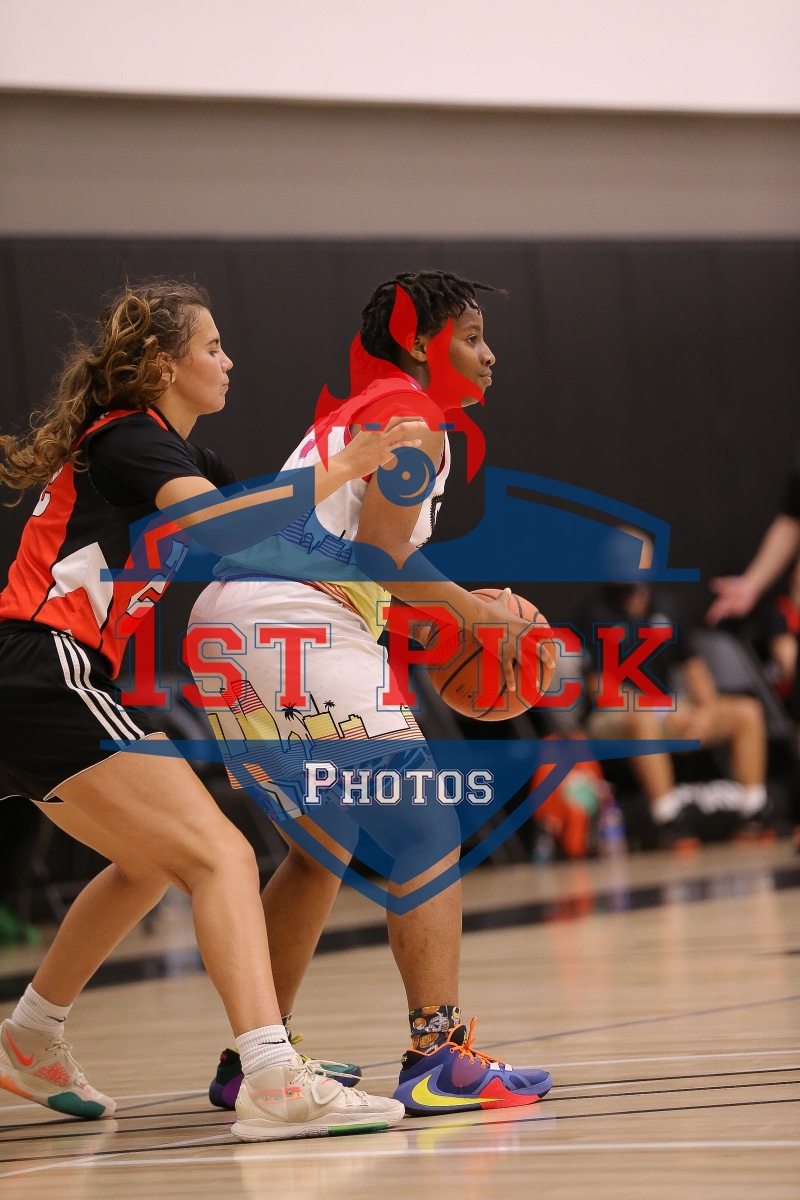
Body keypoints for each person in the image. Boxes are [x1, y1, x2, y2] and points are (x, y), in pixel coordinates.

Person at [0, 280, 425, 1141]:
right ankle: (272, 1075)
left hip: (35, 681)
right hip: (43, 668)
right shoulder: (128, 439)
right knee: (222, 855)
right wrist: (346, 464)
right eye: (213, 346)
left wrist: (448, 607)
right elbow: (230, 531)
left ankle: (31, 1039)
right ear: (165, 365)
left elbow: (279, 542)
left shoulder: (180, 459)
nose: (229, 361)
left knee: (146, 861)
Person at [191, 270, 554, 1116]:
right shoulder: (416, 420)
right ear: (421, 343)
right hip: (292, 619)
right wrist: (476, 616)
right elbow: (382, 554)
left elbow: (357, 561)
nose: (489, 354)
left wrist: (433, 623)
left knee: (325, 841)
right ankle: (438, 1057)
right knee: (425, 823)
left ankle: (255, 1056)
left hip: (231, 624)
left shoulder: (364, 414)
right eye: (471, 337)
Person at [579, 570, 768, 845]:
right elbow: (599, 688)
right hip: (611, 716)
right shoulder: (594, 612)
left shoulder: (667, 607)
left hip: (669, 709)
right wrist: (663, 708)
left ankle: (753, 814)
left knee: (747, 712)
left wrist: (705, 711)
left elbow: (695, 669)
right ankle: (668, 820)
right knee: (643, 720)